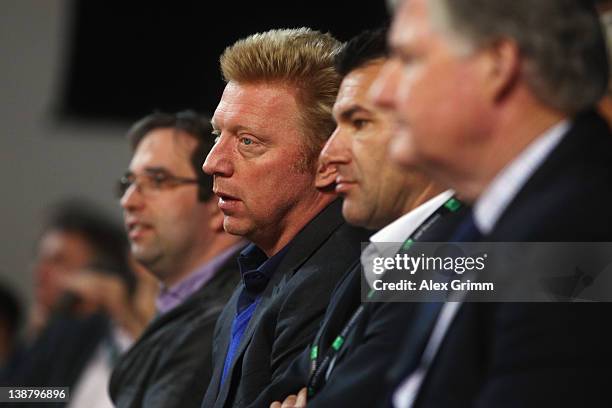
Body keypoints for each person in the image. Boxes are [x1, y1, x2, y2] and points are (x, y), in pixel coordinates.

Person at [371, 0, 612, 406]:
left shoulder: (575, 232)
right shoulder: (475, 225)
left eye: (408, 59)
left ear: (497, 65)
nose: (383, 92)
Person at [264, 28, 464, 408]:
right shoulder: (377, 255)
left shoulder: (484, 254)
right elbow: (295, 380)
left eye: (359, 123)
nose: (329, 154)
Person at [201, 28, 370, 408]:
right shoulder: (258, 272)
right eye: (218, 135)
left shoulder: (341, 277)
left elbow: (529, 274)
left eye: (248, 142)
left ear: (327, 160)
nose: (213, 163)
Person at [108, 111, 246, 408]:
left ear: (214, 201)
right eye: (128, 182)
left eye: (158, 180)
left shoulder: (226, 314)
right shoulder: (181, 302)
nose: (128, 201)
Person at [3, 200, 135, 408]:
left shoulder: (113, 332)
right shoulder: (55, 335)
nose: (40, 273)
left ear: (101, 272)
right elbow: (14, 394)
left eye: (58, 261)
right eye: (40, 260)